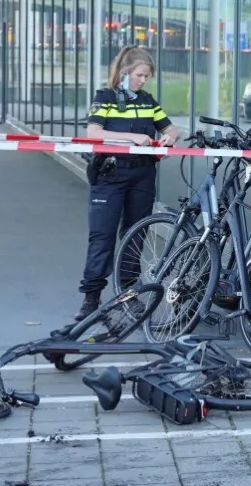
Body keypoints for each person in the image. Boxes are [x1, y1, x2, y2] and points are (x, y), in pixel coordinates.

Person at [76, 46, 180, 320]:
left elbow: (170, 128)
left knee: (135, 234)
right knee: (102, 235)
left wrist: (171, 136)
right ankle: (91, 297)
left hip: (142, 174)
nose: (144, 80)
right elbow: (94, 132)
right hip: (110, 174)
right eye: (140, 75)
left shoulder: (147, 101)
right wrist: (131, 138)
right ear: (125, 73)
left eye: (147, 76)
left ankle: (128, 293)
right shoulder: (105, 97)